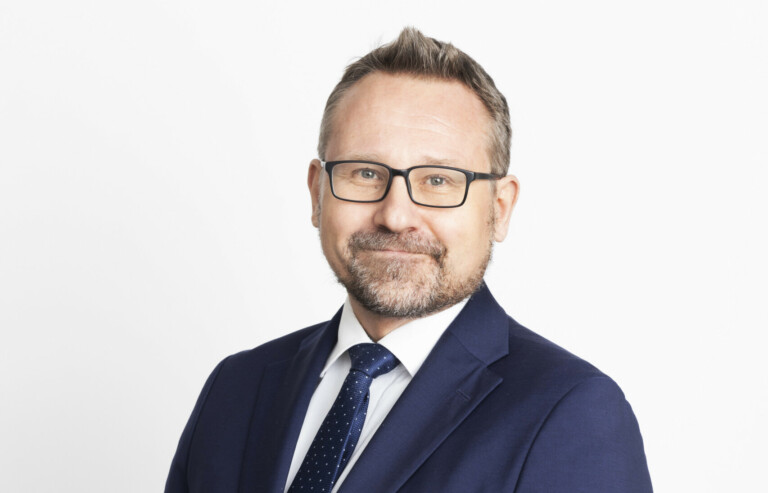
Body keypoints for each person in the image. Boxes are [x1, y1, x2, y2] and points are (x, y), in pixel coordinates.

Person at [165, 27, 653, 493]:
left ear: (499, 209)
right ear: (317, 194)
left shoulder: (571, 413)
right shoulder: (236, 388)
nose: (396, 215)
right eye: (364, 172)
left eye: (438, 180)